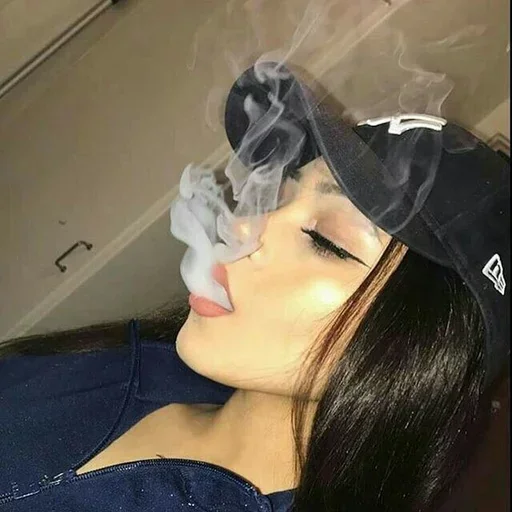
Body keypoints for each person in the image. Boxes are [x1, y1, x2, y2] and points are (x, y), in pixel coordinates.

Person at [0, 63, 509, 512]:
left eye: (326, 240)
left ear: (419, 351)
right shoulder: (139, 363)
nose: (241, 227)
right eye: (278, 196)